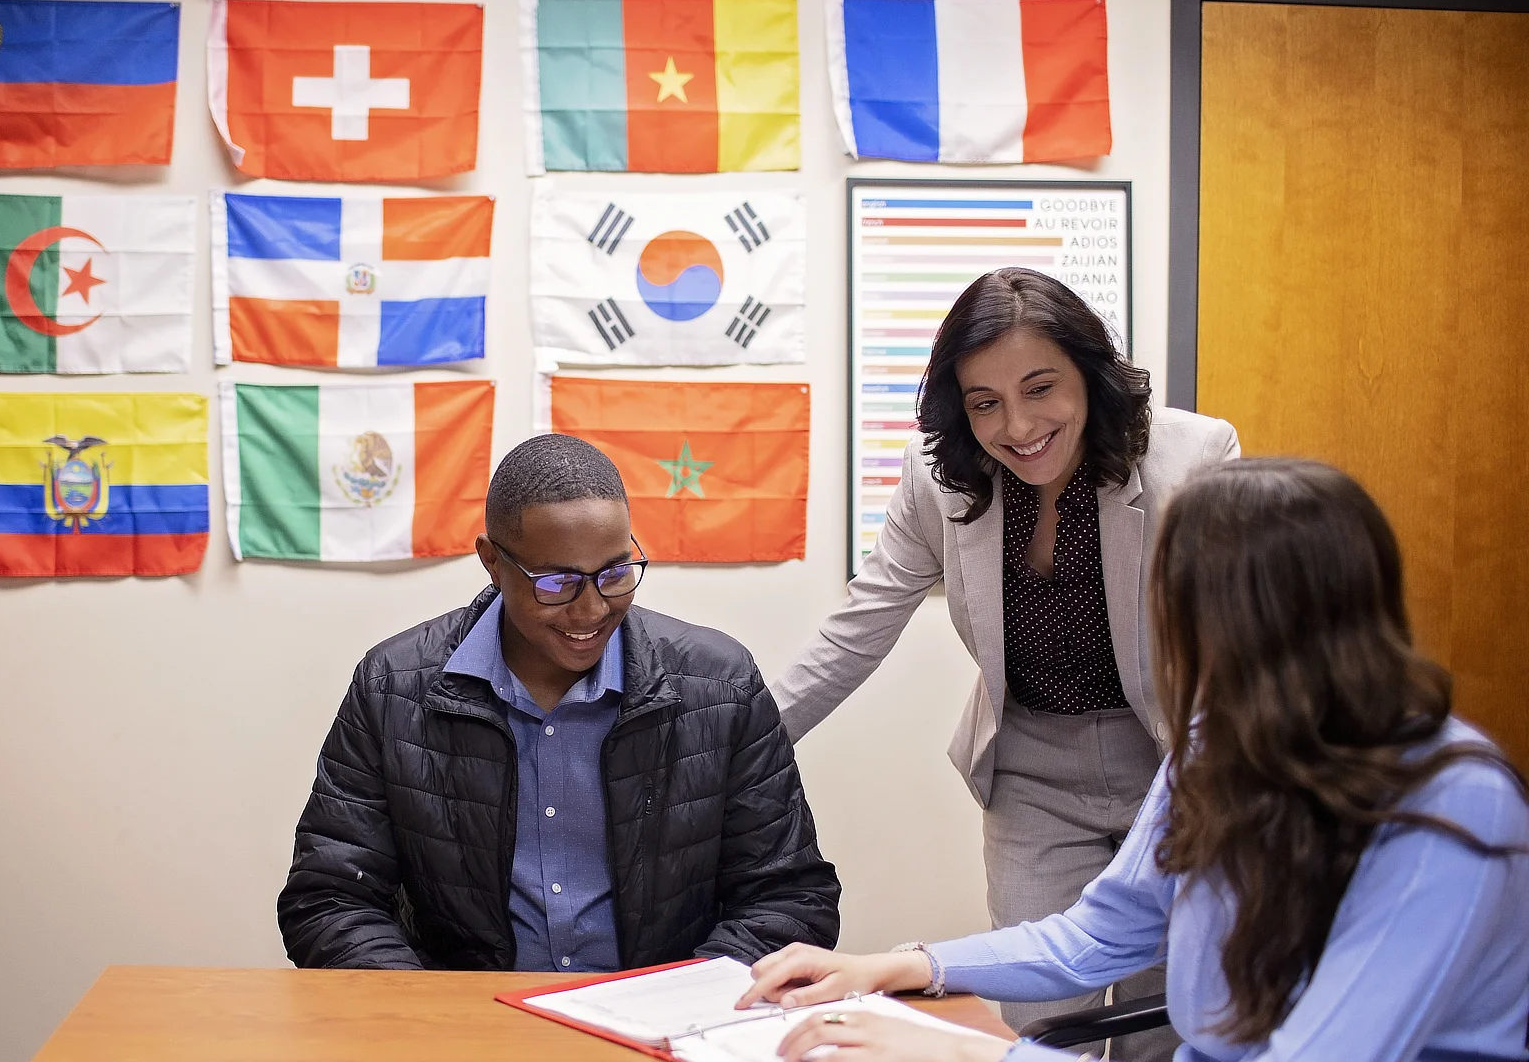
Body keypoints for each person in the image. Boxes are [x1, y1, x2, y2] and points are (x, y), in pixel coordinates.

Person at [740, 458, 1529, 1062]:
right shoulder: (1225, 742)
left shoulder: (1456, 801)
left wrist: (973, 1052)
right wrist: (893, 966)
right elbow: (1097, 936)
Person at [773, 268, 1237, 1054]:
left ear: (1089, 374)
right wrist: (732, 747)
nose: (1016, 426)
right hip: (1031, 771)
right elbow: (858, 629)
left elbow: (1234, 648)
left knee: (1164, 1021)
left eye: (1039, 388)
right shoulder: (941, 478)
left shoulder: (1192, 456)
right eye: (984, 402)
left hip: (1169, 764)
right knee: (1040, 1024)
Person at [276, 433, 840, 971]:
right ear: (492, 561)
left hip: (663, 1029)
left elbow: (789, 897)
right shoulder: (392, 689)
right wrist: (435, 1016)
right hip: (469, 1033)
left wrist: (683, 1003)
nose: (591, 609)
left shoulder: (722, 686)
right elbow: (329, 899)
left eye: (617, 573)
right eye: (555, 582)